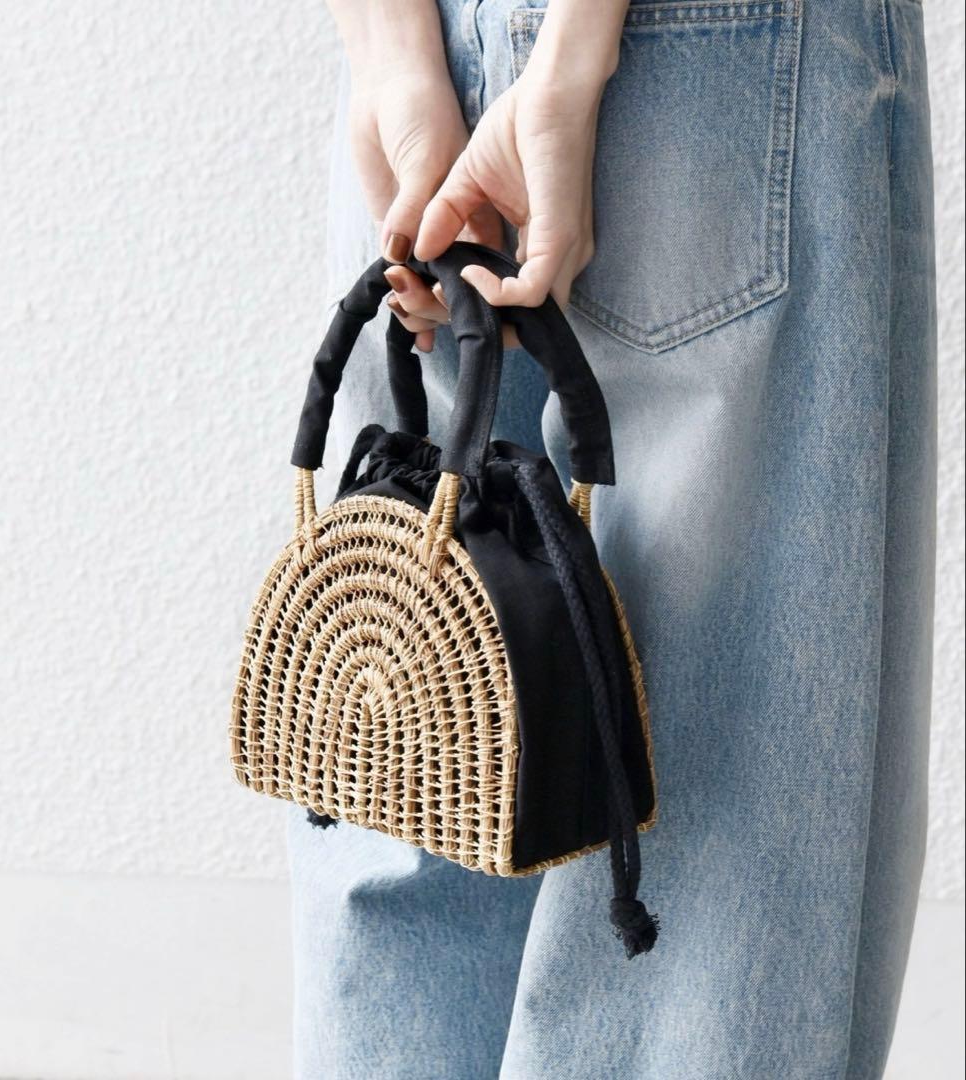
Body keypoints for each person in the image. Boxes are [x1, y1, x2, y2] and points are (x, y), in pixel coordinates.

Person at [288, 1, 937, 1077]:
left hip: (421, 83)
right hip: (714, 69)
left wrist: (394, 64)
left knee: (406, 779)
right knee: (703, 868)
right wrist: (569, 58)